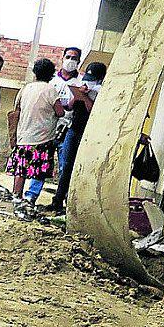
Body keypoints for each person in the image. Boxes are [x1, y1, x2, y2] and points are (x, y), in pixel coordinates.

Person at [6, 58, 66, 220]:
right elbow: (60, 112)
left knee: (21, 169)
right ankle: (30, 197)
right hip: (43, 138)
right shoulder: (51, 90)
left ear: (35, 73)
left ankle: (16, 196)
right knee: (38, 171)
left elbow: (16, 110)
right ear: (52, 74)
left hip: (23, 136)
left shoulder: (25, 89)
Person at [23, 46, 83, 204]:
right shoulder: (51, 81)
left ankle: (61, 200)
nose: (71, 61)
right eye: (68, 57)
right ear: (63, 58)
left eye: (74, 58)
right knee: (41, 163)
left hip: (68, 129)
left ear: (79, 61)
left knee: (65, 166)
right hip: (47, 130)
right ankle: (31, 195)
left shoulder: (81, 82)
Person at [47, 60, 106, 214]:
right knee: (66, 167)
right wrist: (77, 94)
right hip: (74, 129)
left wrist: (85, 96)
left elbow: (94, 112)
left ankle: (73, 203)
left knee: (80, 168)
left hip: (89, 134)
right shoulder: (83, 87)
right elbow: (69, 107)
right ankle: (57, 200)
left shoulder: (102, 93)